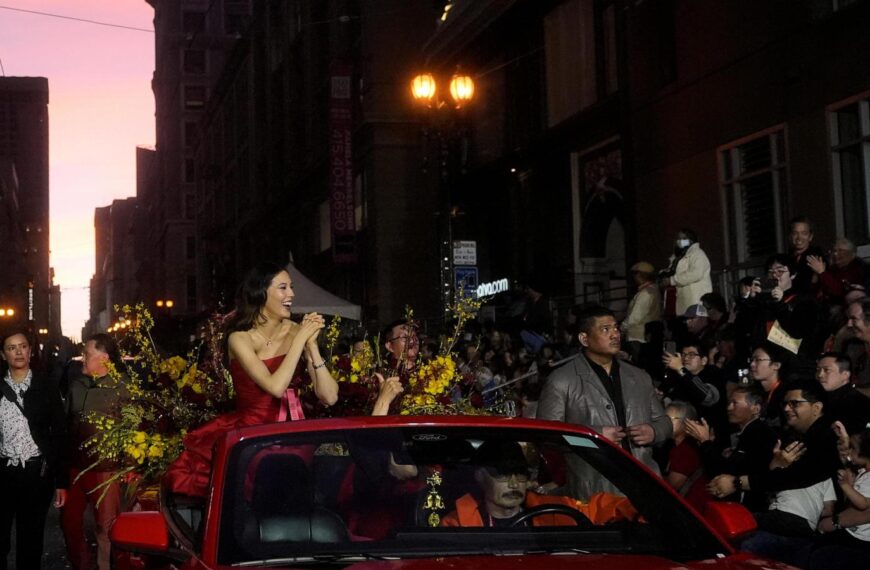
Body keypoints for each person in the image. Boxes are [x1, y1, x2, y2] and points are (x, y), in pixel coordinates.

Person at [165, 263, 339, 497]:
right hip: (252, 436)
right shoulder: (240, 338)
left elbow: (330, 397)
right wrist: (300, 340)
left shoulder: (298, 331)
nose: (291, 294)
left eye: (292, 287)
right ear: (261, 293)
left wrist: (312, 347)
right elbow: (275, 387)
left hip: (293, 433)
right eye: (283, 288)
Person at [537, 305, 672, 497]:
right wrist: (593, 436)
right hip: (593, 490)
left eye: (616, 328)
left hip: (644, 485)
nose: (615, 334)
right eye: (605, 329)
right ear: (584, 339)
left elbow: (664, 422)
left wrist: (653, 431)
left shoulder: (639, 376)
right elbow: (548, 436)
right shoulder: (561, 380)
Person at [440, 440, 637, 527]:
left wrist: (646, 509)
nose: (514, 484)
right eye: (503, 475)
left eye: (520, 474)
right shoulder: (458, 524)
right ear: (480, 477)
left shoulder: (558, 511)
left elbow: (606, 507)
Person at [0, 329, 67, 570]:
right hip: (3, 473)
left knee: (31, 541)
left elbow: (59, 434)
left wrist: (61, 482)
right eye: (11, 347)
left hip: (36, 474)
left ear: (30, 351)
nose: (18, 352)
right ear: (3, 355)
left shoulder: (46, 386)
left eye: (23, 346)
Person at [62, 333, 130, 570]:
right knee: (70, 522)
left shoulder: (123, 388)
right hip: (75, 468)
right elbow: (66, 424)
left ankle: (105, 566)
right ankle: (81, 564)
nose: (83, 358)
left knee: (106, 527)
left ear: (104, 358)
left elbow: (135, 430)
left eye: (87, 354)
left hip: (105, 469)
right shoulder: (76, 386)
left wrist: (128, 465)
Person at [684, 383, 777, 512]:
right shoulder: (750, 433)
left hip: (745, 509)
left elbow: (726, 474)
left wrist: (705, 441)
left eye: (735, 403)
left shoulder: (759, 434)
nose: (729, 408)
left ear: (755, 409)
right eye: (729, 403)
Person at [663, 401, 711, 513]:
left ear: (686, 423)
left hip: (691, 509)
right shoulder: (680, 446)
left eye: (669, 418)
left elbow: (671, 485)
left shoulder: (686, 449)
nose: (663, 423)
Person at [815, 352, 870, 435]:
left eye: (827, 370)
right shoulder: (820, 395)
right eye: (818, 369)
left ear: (845, 375)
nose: (820, 375)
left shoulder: (858, 404)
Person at [661, 228, 712, 316]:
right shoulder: (680, 256)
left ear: (691, 240)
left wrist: (672, 280)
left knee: (695, 322)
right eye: (678, 238)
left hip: (695, 299)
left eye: (683, 239)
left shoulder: (698, 254)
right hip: (684, 300)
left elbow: (695, 274)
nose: (679, 241)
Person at [620, 261, 661, 365]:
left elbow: (635, 317)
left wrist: (621, 328)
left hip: (637, 335)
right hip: (646, 335)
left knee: (636, 364)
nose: (634, 278)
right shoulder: (654, 290)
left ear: (640, 276)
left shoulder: (645, 294)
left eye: (635, 275)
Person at [809, 238, 869, 306]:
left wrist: (822, 273)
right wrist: (816, 274)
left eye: (841, 251)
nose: (835, 254)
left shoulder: (858, 268)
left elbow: (840, 292)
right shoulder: (833, 268)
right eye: (834, 251)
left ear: (852, 254)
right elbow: (815, 291)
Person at [787, 216, 826, 296]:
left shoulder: (816, 257)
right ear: (790, 236)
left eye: (804, 233)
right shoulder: (786, 259)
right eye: (795, 233)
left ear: (810, 237)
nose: (799, 237)